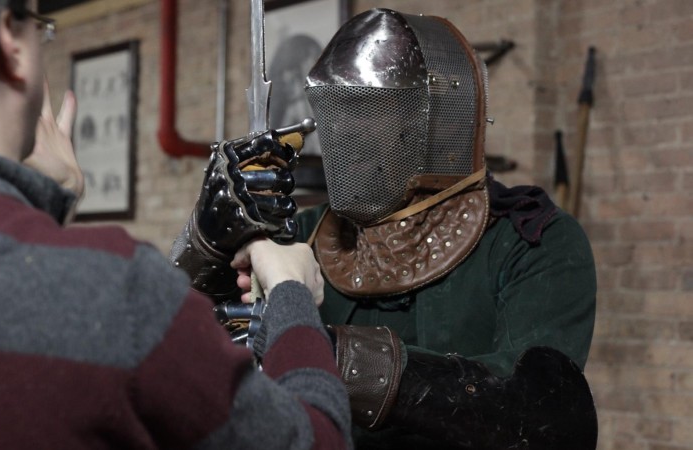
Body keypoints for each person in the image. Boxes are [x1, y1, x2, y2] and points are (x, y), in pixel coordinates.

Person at [0, 1, 352, 449]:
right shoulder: (115, 290)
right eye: (40, 27)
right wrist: (290, 295)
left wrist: (45, 207)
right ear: (10, 43)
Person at [171, 8, 597, 449]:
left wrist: (316, 347)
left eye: (366, 109)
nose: (341, 129)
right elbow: (171, 349)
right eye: (335, 110)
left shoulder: (530, 242)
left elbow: (542, 415)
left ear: (435, 117)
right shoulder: (302, 235)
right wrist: (206, 244)